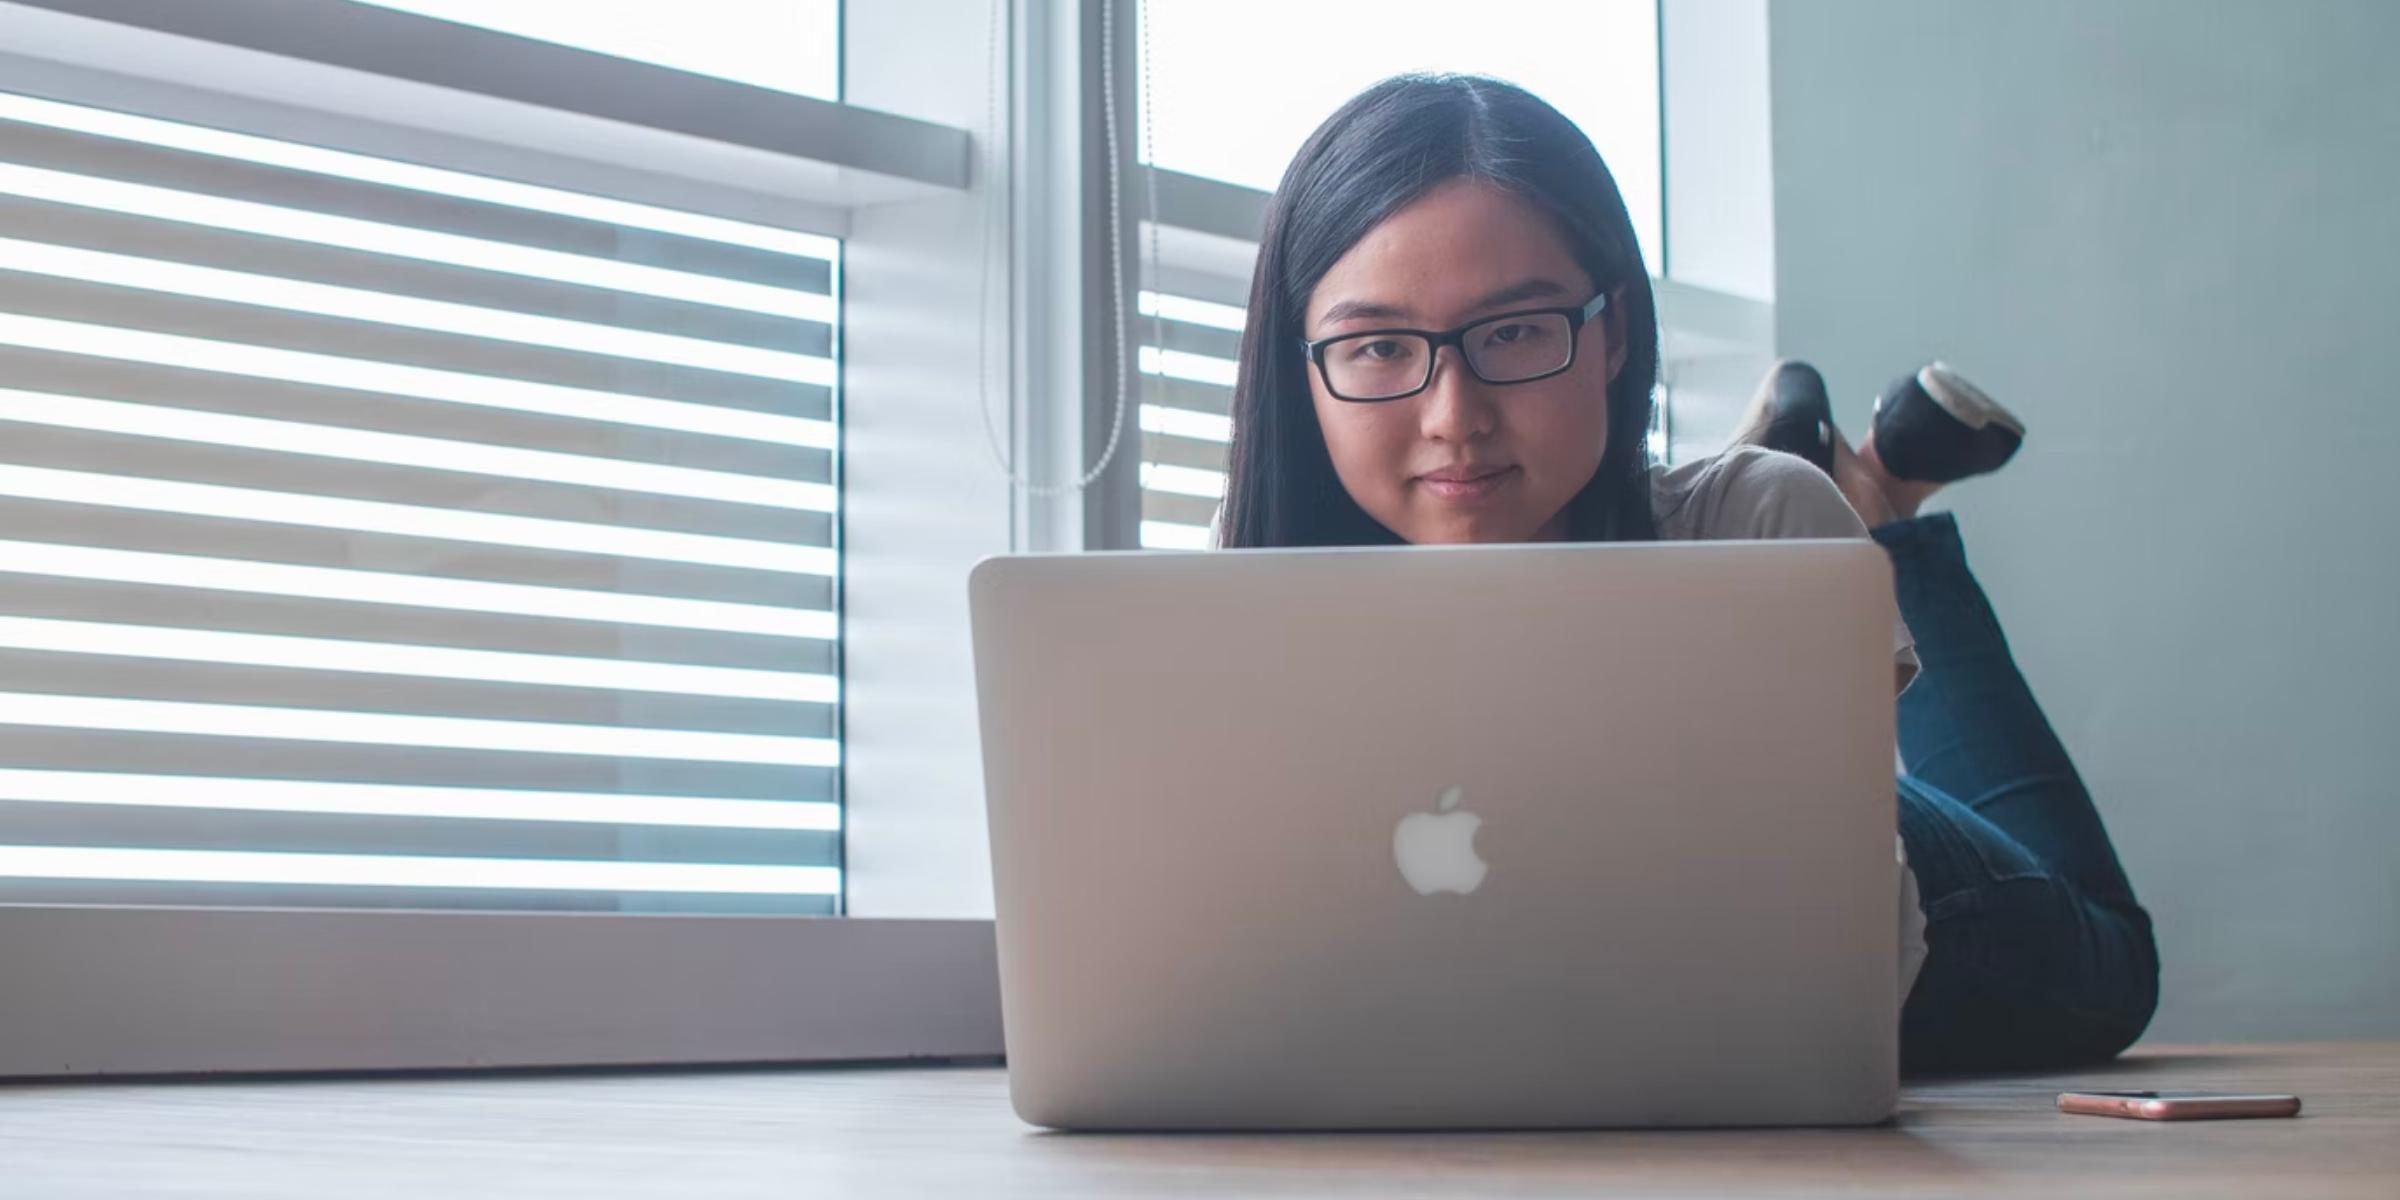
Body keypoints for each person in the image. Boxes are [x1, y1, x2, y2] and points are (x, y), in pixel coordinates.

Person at [1213, 73, 2158, 1073]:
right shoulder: (1224, 631)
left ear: (1612, 333)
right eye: (1377, 346)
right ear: (1301, 366)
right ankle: (1873, 488)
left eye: (1516, 332)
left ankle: (1882, 519)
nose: (1455, 415)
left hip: (1935, 925)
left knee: (2116, 959)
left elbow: (1817, 963)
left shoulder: (1765, 520)